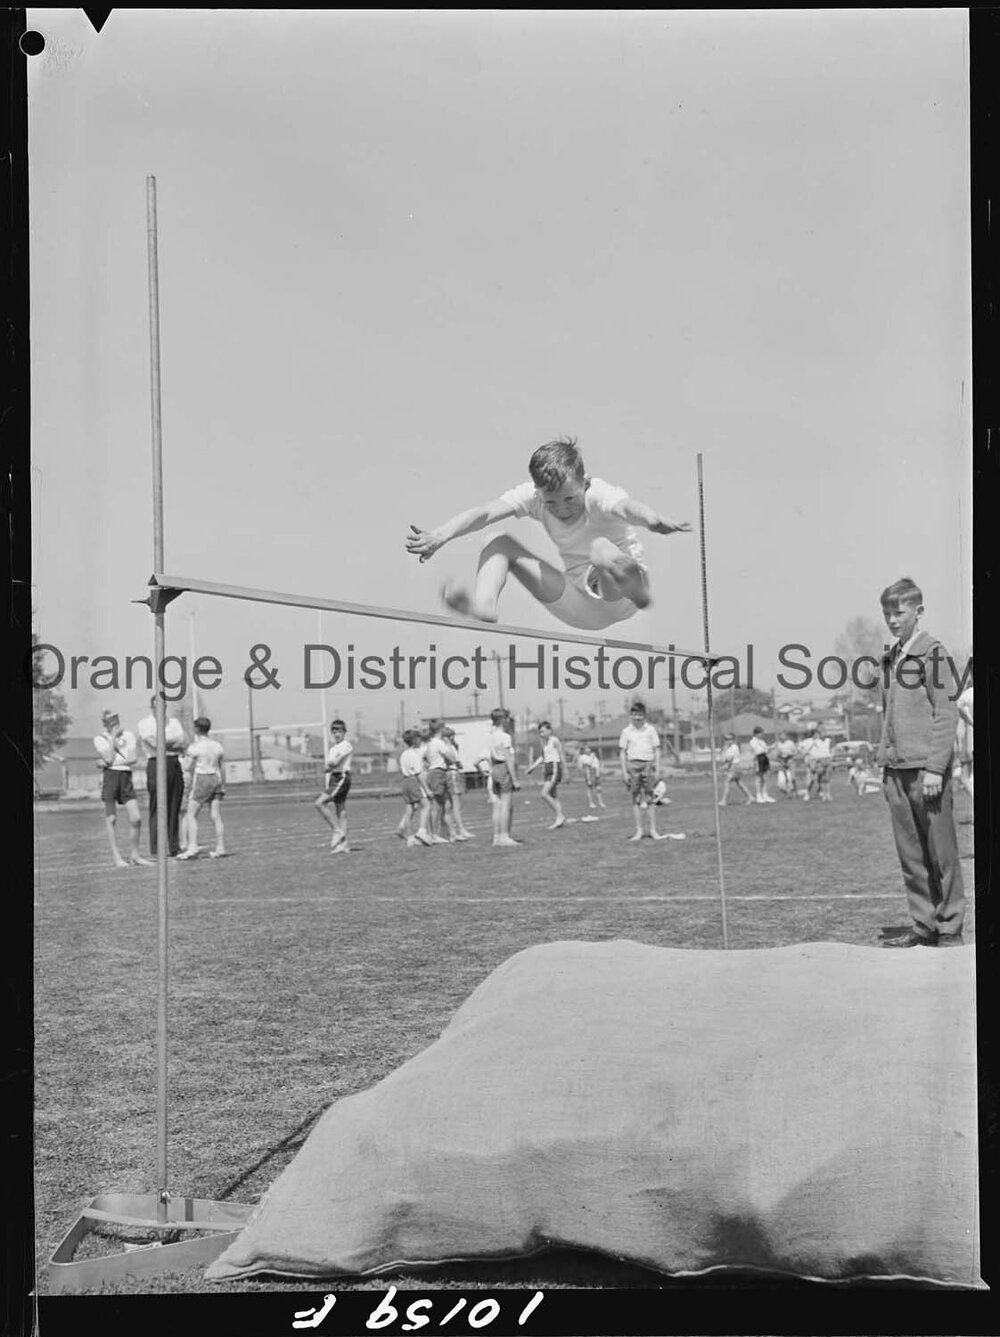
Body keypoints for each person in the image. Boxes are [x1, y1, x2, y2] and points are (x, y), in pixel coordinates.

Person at [405, 436, 690, 630]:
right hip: (579, 606)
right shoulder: (532, 497)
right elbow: (485, 513)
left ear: (584, 483)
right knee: (497, 542)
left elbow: (628, 508)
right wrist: (440, 535)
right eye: (550, 502)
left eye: (569, 499)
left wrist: (653, 520)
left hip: (621, 594)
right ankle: (484, 605)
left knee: (601, 549)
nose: (561, 509)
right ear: (538, 492)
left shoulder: (599, 493)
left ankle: (633, 586)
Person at [866, 577, 965, 947]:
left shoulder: (933, 653)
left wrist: (936, 769)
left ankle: (950, 926)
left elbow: (946, 713)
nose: (892, 619)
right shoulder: (892, 657)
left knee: (942, 854)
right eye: (887, 612)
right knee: (910, 854)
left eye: (900, 611)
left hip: (926, 770)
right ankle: (923, 923)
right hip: (895, 768)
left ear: (918, 612)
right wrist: (885, 762)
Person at [93, 709, 152, 868]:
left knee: (136, 818)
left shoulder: (129, 735)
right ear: (104, 723)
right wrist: (112, 738)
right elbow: (109, 757)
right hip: (110, 777)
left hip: (125, 776)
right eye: (109, 720)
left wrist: (107, 763)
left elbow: (132, 759)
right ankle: (117, 857)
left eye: (115, 719)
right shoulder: (99, 738)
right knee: (111, 818)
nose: (114, 723)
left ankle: (135, 855)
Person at [136, 695, 187, 857]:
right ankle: (156, 847)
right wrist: (169, 743)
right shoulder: (144, 724)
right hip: (155, 763)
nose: (161, 709)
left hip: (173, 763)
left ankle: (173, 846)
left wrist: (165, 743)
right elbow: (154, 744)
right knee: (157, 806)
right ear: (151, 707)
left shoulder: (174, 723)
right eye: (157, 706)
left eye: (163, 706)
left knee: (174, 806)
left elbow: (183, 742)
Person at [178, 717, 227, 859]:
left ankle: (192, 846)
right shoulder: (218, 746)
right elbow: (222, 766)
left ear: (197, 729)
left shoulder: (195, 747)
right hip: (216, 778)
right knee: (215, 815)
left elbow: (187, 767)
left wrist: (181, 759)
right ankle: (220, 847)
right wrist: (223, 784)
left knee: (190, 814)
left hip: (202, 779)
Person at [618, 700, 666, 840]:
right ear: (631, 715)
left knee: (650, 798)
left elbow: (657, 750)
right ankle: (639, 830)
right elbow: (622, 752)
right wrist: (624, 771)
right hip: (633, 766)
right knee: (636, 799)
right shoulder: (626, 731)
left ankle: (653, 830)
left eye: (639, 715)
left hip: (648, 765)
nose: (637, 717)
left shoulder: (650, 730)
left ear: (644, 715)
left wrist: (657, 768)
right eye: (634, 714)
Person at [314, 719, 353, 853]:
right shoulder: (333, 749)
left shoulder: (346, 745)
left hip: (341, 777)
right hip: (334, 777)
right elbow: (328, 766)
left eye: (340, 731)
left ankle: (337, 831)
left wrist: (331, 764)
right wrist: (330, 765)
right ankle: (344, 844)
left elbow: (334, 763)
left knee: (319, 803)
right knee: (340, 810)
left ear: (344, 732)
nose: (337, 734)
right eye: (335, 731)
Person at [525, 721, 568, 830]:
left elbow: (561, 754)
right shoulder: (543, 743)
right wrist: (532, 768)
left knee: (544, 794)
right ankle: (559, 819)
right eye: (540, 732)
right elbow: (542, 757)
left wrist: (566, 770)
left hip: (554, 767)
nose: (541, 734)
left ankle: (560, 816)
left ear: (549, 730)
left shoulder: (554, 740)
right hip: (547, 768)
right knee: (553, 796)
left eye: (543, 731)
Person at [488, 707, 521, 847]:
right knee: (506, 805)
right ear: (502, 719)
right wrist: (515, 779)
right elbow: (508, 758)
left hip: (494, 768)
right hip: (503, 768)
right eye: (507, 718)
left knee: (498, 805)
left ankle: (497, 837)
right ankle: (504, 836)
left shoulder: (491, 735)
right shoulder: (505, 737)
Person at [422, 719, 456, 844]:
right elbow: (451, 758)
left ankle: (446, 833)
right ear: (440, 729)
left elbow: (425, 757)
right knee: (436, 805)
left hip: (435, 772)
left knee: (444, 804)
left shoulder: (431, 743)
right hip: (438, 772)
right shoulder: (439, 743)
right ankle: (434, 834)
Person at [398, 730, 432, 847]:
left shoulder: (404, 754)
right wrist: (427, 789)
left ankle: (410, 838)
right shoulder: (414, 754)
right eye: (419, 738)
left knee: (409, 811)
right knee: (426, 805)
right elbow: (418, 774)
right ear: (415, 740)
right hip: (413, 781)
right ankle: (422, 831)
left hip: (405, 781)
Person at [442, 726, 475, 840]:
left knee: (448, 805)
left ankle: (451, 832)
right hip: (452, 774)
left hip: (449, 773)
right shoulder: (447, 747)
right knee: (455, 804)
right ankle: (460, 829)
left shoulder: (449, 747)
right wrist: (457, 763)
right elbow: (452, 760)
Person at [955, 660, 973, 803]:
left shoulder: (966, 696)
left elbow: (962, 722)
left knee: (966, 778)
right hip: (969, 742)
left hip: (970, 742)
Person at [718, 733, 753, 806]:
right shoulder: (728, 748)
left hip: (734, 767)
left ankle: (724, 800)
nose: (727, 741)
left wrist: (724, 765)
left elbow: (728, 759)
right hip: (733, 767)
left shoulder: (734, 747)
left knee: (727, 782)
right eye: (726, 739)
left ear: (733, 740)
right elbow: (723, 759)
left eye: (729, 739)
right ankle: (750, 797)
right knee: (740, 783)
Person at [577, 742, 605, 819]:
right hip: (589, 772)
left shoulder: (593, 756)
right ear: (584, 750)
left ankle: (600, 802)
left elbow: (597, 764)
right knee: (590, 788)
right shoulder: (583, 757)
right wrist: (592, 757)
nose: (589, 749)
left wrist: (598, 773)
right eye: (587, 748)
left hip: (595, 772)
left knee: (599, 788)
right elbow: (588, 764)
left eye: (589, 748)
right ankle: (591, 802)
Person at [748, 726, 775, 804]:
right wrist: (767, 748)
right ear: (757, 733)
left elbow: (765, 751)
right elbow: (757, 751)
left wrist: (770, 749)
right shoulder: (752, 741)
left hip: (764, 758)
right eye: (761, 733)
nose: (762, 735)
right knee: (758, 778)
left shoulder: (762, 741)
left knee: (765, 777)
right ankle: (758, 795)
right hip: (758, 759)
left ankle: (765, 794)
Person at [775, 732, 798, 799]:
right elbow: (777, 755)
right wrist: (781, 760)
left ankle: (795, 792)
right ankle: (789, 793)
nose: (783, 737)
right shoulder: (778, 744)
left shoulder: (790, 743)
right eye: (781, 735)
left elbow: (795, 752)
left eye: (784, 735)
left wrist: (790, 756)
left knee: (793, 778)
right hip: (783, 761)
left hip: (790, 760)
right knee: (786, 779)